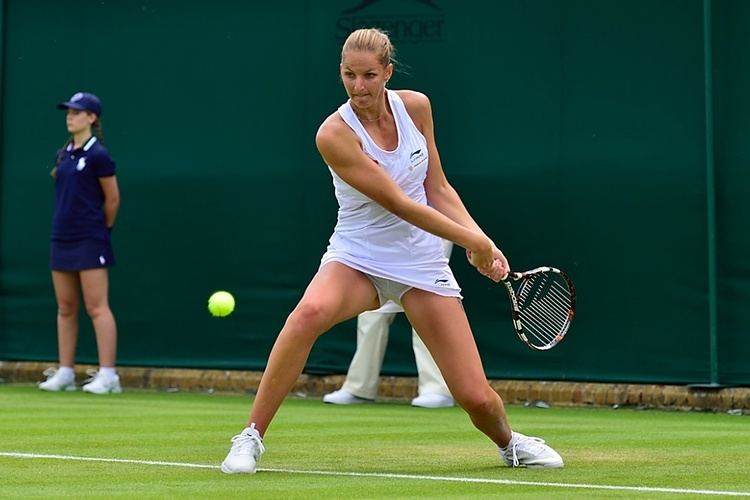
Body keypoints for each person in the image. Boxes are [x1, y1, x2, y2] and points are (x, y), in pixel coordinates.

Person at [221, 28, 563, 473]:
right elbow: (400, 203)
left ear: (387, 71)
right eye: (349, 75)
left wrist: (483, 240)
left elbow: (435, 186)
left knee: (475, 396)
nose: (358, 86)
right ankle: (250, 436)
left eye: (368, 75)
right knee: (307, 315)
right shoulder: (333, 134)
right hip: (357, 254)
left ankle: (509, 442)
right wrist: (470, 241)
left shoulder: (416, 107)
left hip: (420, 261)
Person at [38, 91, 122, 395]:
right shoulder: (64, 154)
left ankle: (109, 375)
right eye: (69, 111)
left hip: (90, 238)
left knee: (96, 307)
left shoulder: (98, 154)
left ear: (92, 117)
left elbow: (112, 199)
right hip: (61, 236)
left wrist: (101, 230)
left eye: (77, 112)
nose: (70, 116)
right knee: (65, 307)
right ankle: (65, 372)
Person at [323, 239, 455, 408]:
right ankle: (359, 387)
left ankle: (436, 388)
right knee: (373, 305)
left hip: (430, 230)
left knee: (426, 300)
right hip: (387, 231)